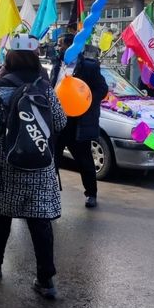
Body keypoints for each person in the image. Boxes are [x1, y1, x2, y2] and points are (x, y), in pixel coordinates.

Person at [0, 46, 67, 299]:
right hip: (41, 166)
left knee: (1, 214)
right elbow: (61, 121)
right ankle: (46, 280)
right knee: (40, 221)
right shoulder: (44, 87)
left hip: (9, 166)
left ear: (9, 62)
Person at [51, 34, 109, 208]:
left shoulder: (89, 67)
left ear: (71, 46)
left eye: (61, 44)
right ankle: (49, 193)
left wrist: (86, 100)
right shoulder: (57, 65)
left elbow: (102, 89)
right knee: (52, 160)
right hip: (58, 121)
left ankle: (91, 194)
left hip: (79, 122)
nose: (58, 48)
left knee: (85, 160)